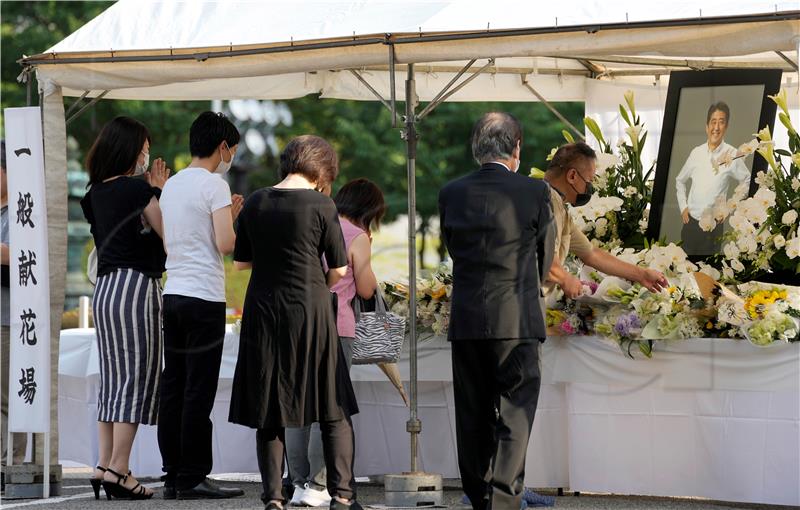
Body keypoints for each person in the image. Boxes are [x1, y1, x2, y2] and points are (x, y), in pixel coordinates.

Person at [229, 135, 362, 510]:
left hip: (264, 309)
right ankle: (342, 494)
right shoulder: (322, 204)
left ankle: (273, 497)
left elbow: (240, 262)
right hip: (312, 309)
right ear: (321, 170)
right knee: (330, 401)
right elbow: (338, 268)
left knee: (269, 405)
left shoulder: (255, 200)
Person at [438, 112, 555, 510]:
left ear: (476, 148)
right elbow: (546, 256)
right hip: (517, 316)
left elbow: (453, 248)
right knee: (515, 413)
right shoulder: (535, 192)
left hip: (468, 316)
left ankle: (479, 495)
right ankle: (505, 498)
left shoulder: (451, 192)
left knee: (472, 413)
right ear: (516, 147)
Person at [79, 117, 169, 500]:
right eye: (145, 148)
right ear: (133, 150)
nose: (147, 155)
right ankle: (119, 469)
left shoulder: (93, 193)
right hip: (136, 287)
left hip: (105, 289)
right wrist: (159, 192)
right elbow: (169, 236)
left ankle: (103, 464)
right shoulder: (137, 190)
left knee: (112, 378)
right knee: (136, 377)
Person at [157, 112, 245, 500]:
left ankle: (174, 472)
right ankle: (194, 474)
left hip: (172, 292)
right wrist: (233, 219)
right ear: (222, 147)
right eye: (233, 151)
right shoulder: (215, 185)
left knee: (173, 384)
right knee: (199, 388)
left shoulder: (172, 185)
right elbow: (225, 245)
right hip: (204, 298)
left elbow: (169, 242)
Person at [285, 178, 385, 507]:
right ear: (370, 210)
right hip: (336, 326)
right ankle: (318, 483)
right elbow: (367, 290)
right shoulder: (357, 236)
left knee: (298, 406)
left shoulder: (313, 224)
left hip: (298, 324)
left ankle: (298, 483)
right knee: (328, 408)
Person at [544, 142, 668, 299]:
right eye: (588, 182)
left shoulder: (560, 207)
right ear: (572, 176)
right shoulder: (547, 201)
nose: (588, 190)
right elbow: (547, 261)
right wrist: (566, 279)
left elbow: (591, 253)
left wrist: (641, 275)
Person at [675, 101, 750, 255]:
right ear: (707, 126)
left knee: (708, 274)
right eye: (713, 122)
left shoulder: (732, 154)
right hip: (690, 224)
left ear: (726, 126)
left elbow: (747, 180)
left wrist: (729, 207)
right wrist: (683, 207)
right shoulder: (696, 152)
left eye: (721, 122)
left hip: (713, 228)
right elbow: (680, 180)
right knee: (686, 271)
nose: (716, 127)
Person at [1, 140, 28, 490]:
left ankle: (12, 462)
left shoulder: (23, 210)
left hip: (10, 317)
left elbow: (24, 252)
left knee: (9, 396)